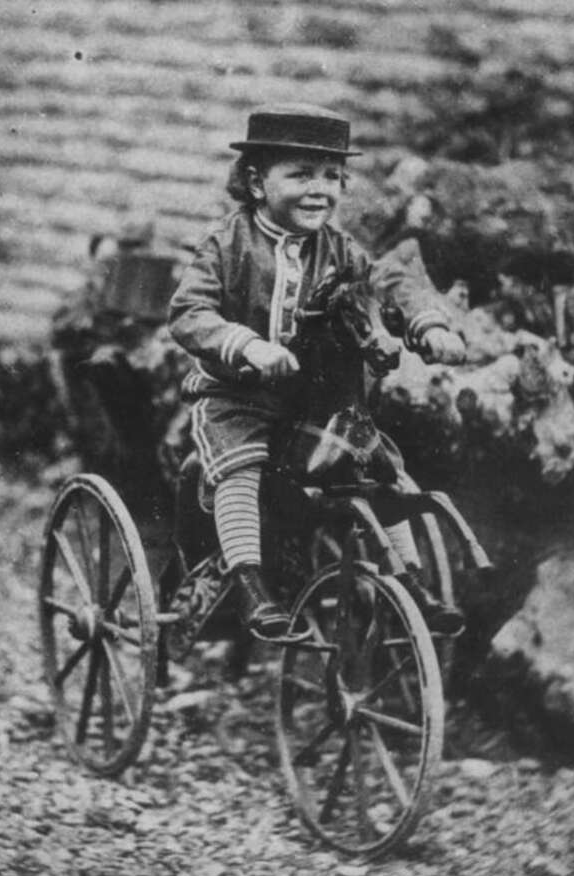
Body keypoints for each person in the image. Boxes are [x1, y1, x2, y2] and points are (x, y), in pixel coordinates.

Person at [168, 103, 467, 640]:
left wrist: (429, 326)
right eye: (301, 174)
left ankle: (411, 581)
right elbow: (190, 313)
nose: (319, 190)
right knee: (239, 466)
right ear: (257, 182)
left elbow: (389, 285)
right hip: (237, 395)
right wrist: (246, 346)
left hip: (311, 403)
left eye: (332, 177)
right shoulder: (229, 244)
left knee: (376, 466)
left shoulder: (339, 250)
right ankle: (252, 586)